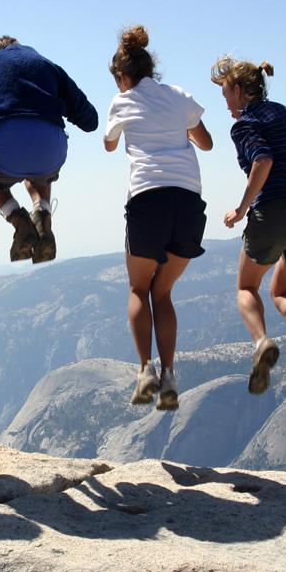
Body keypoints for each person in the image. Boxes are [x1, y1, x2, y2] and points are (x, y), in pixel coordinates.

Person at [104, 27, 213, 409]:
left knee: (138, 289)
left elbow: (109, 143)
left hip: (148, 199)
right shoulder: (179, 96)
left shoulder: (122, 101)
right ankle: (169, 376)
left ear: (121, 76)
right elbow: (206, 141)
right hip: (187, 202)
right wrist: (178, 127)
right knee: (162, 292)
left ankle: (145, 370)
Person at [212, 56, 286, 394]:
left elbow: (263, 160)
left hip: (271, 214)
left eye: (226, 94)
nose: (226, 103)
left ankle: (262, 343)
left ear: (240, 90)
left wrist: (240, 208)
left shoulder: (245, 124)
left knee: (247, 287)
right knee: (283, 290)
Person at [0, 37, 98, 263]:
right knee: (38, 171)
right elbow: (91, 121)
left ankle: (17, 218)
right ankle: (42, 213)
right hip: (51, 151)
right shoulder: (49, 66)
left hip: (5, 150)